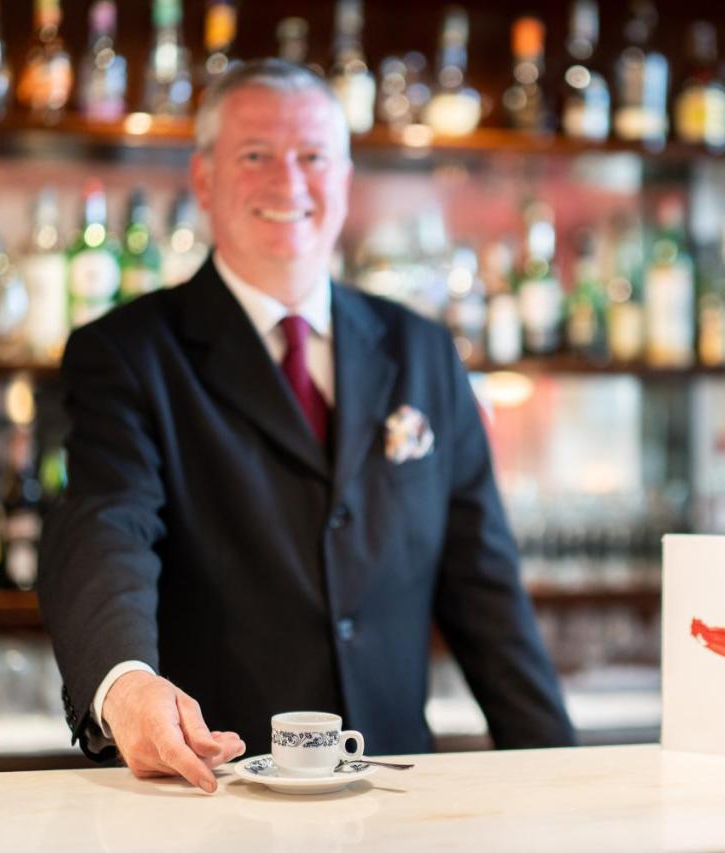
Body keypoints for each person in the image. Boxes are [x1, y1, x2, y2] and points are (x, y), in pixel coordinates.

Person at [36, 59, 576, 793]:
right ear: (203, 179)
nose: (287, 182)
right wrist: (125, 682)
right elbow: (107, 523)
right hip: (217, 798)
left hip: (392, 798)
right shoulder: (128, 353)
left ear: (345, 181)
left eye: (313, 157)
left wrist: (565, 775)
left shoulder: (421, 349)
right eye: (255, 155)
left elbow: (485, 590)